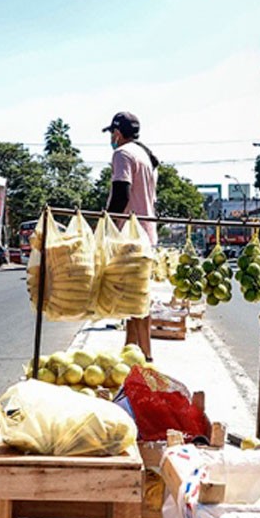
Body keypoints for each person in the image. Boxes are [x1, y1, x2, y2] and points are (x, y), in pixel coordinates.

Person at [103, 111, 159, 361]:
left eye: (112, 134)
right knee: (135, 302)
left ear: (117, 133)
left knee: (137, 303)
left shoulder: (122, 154)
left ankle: (146, 358)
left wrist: (105, 227)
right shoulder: (145, 156)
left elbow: (121, 196)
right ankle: (131, 353)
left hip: (130, 238)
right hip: (146, 236)